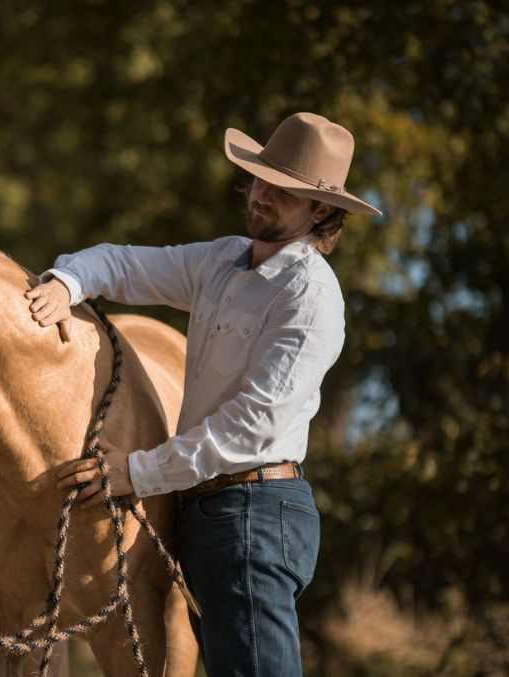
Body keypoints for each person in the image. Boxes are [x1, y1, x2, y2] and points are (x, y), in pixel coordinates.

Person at [24, 112, 382, 676]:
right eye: (261, 178)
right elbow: (126, 263)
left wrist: (135, 473)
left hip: (254, 513)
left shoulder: (309, 298)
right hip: (209, 511)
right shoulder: (222, 261)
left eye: (284, 191)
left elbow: (251, 426)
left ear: (321, 211)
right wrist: (67, 281)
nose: (262, 195)